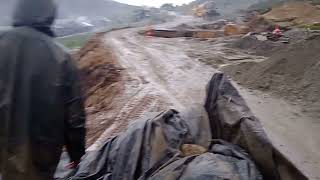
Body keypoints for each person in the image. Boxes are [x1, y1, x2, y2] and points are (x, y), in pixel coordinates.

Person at [0, 0, 87, 179]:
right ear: (49, 14)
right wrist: (77, 156)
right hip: (41, 154)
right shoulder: (62, 57)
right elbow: (75, 118)